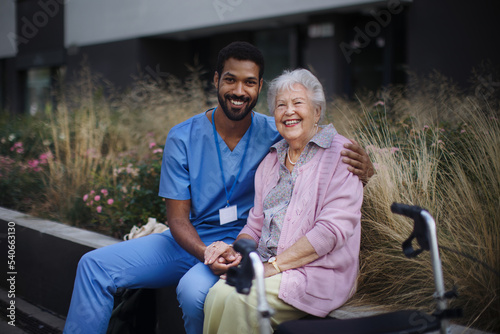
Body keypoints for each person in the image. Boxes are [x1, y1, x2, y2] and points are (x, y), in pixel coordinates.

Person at [63, 42, 372, 334]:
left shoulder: (276, 130)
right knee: (93, 266)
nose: (239, 91)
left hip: (244, 244)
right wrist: (206, 250)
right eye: (230, 80)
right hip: (192, 240)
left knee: (194, 291)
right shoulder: (183, 137)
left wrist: (367, 168)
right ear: (216, 81)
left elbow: (317, 148)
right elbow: (177, 218)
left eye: (249, 82)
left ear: (259, 86)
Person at [203, 68, 363, 334]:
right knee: (217, 295)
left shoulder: (341, 155)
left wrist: (271, 267)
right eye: (281, 105)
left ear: (317, 112)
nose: (289, 111)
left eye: (298, 103)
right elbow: (254, 226)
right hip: (267, 267)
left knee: (240, 302)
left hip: (316, 273)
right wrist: (237, 252)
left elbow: (331, 231)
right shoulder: (271, 161)